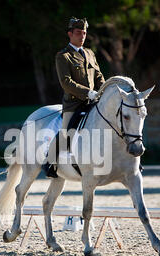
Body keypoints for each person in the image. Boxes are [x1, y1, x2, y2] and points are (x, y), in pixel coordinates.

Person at [43, 17, 105, 178]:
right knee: (67, 131)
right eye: (78, 33)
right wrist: (87, 92)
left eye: (84, 33)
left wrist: (104, 90)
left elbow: (98, 76)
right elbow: (66, 82)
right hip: (74, 104)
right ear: (70, 34)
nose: (82, 36)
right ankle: (50, 162)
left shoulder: (90, 54)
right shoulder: (63, 56)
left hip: (93, 101)